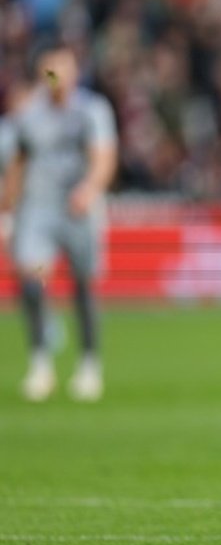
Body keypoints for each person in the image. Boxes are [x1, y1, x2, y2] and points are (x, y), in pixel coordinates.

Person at [0, 42, 118, 402]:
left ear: (74, 73)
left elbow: (103, 156)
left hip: (79, 209)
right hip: (38, 210)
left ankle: (88, 364)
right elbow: (18, 165)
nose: (57, 79)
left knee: (83, 286)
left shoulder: (92, 110)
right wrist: (7, 210)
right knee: (33, 280)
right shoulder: (28, 116)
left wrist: (90, 189)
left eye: (63, 70)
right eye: (50, 72)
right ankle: (40, 364)